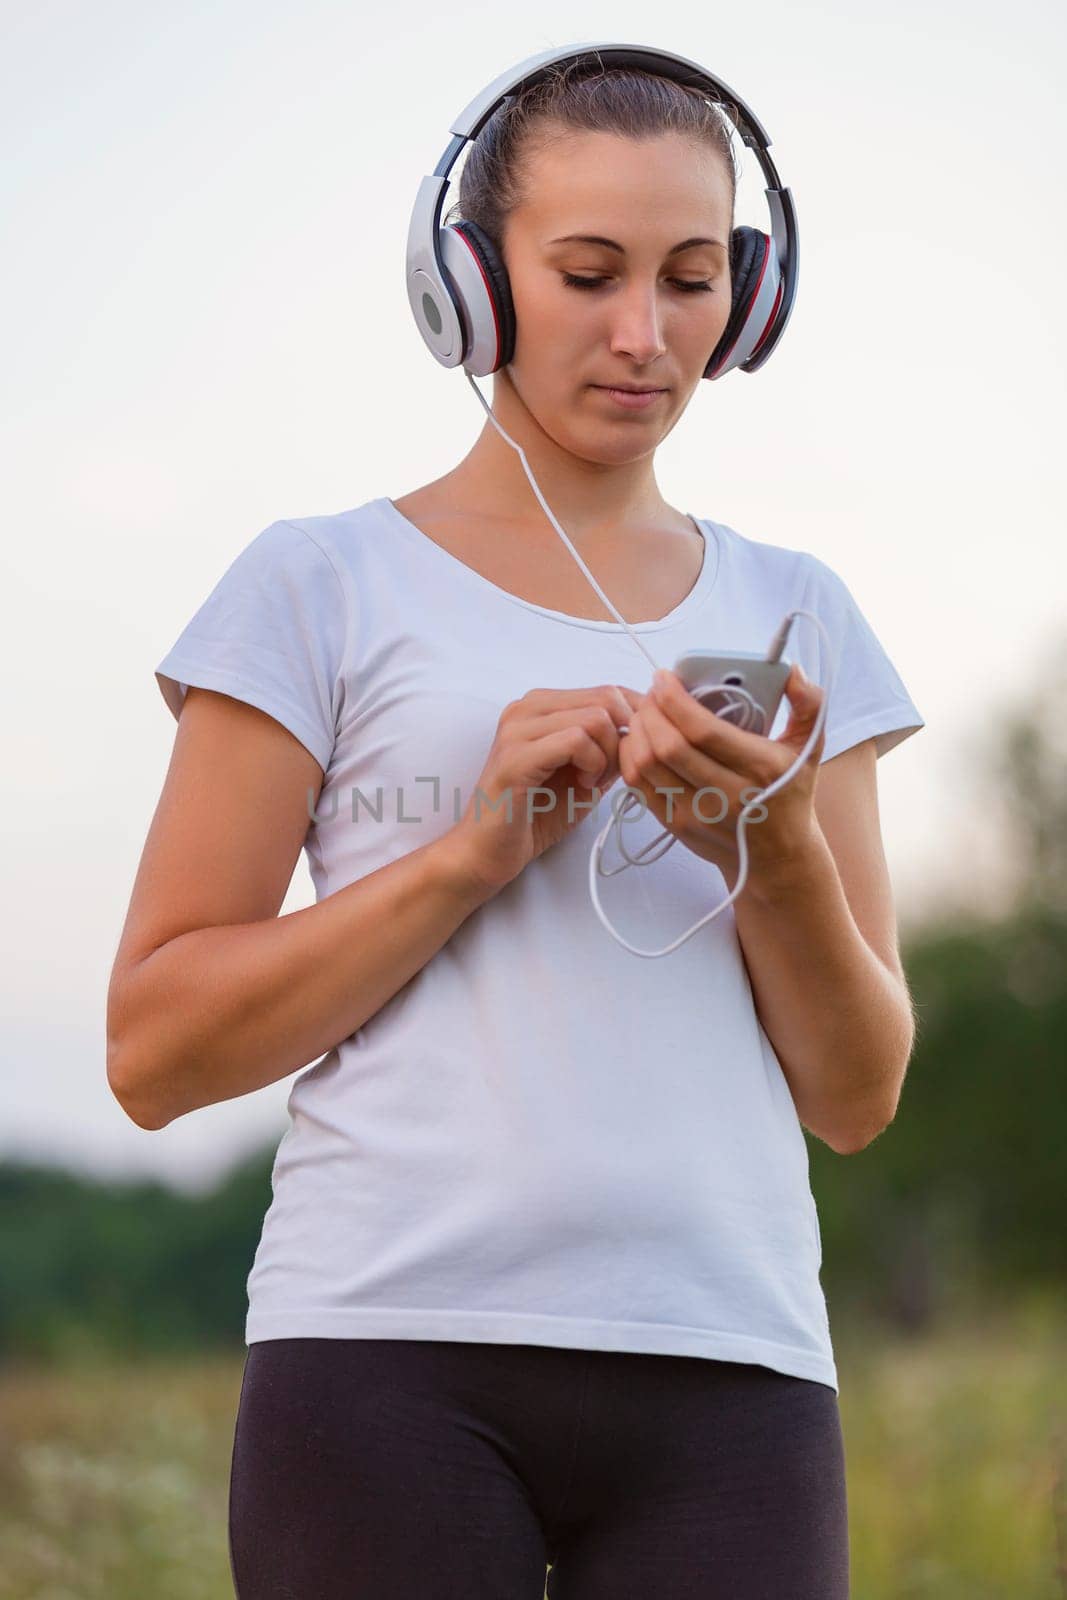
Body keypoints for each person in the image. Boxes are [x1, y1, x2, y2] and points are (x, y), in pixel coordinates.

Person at [106, 57, 925, 1600]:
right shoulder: (316, 584)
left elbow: (859, 1094)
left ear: (749, 300)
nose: (643, 334)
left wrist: (779, 843)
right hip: (382, 1362)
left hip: (732, 1369)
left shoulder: (801, 610)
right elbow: (156, 1054)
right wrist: (471, 852)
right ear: (470, 287)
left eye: (693, 280)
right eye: (587, 273)